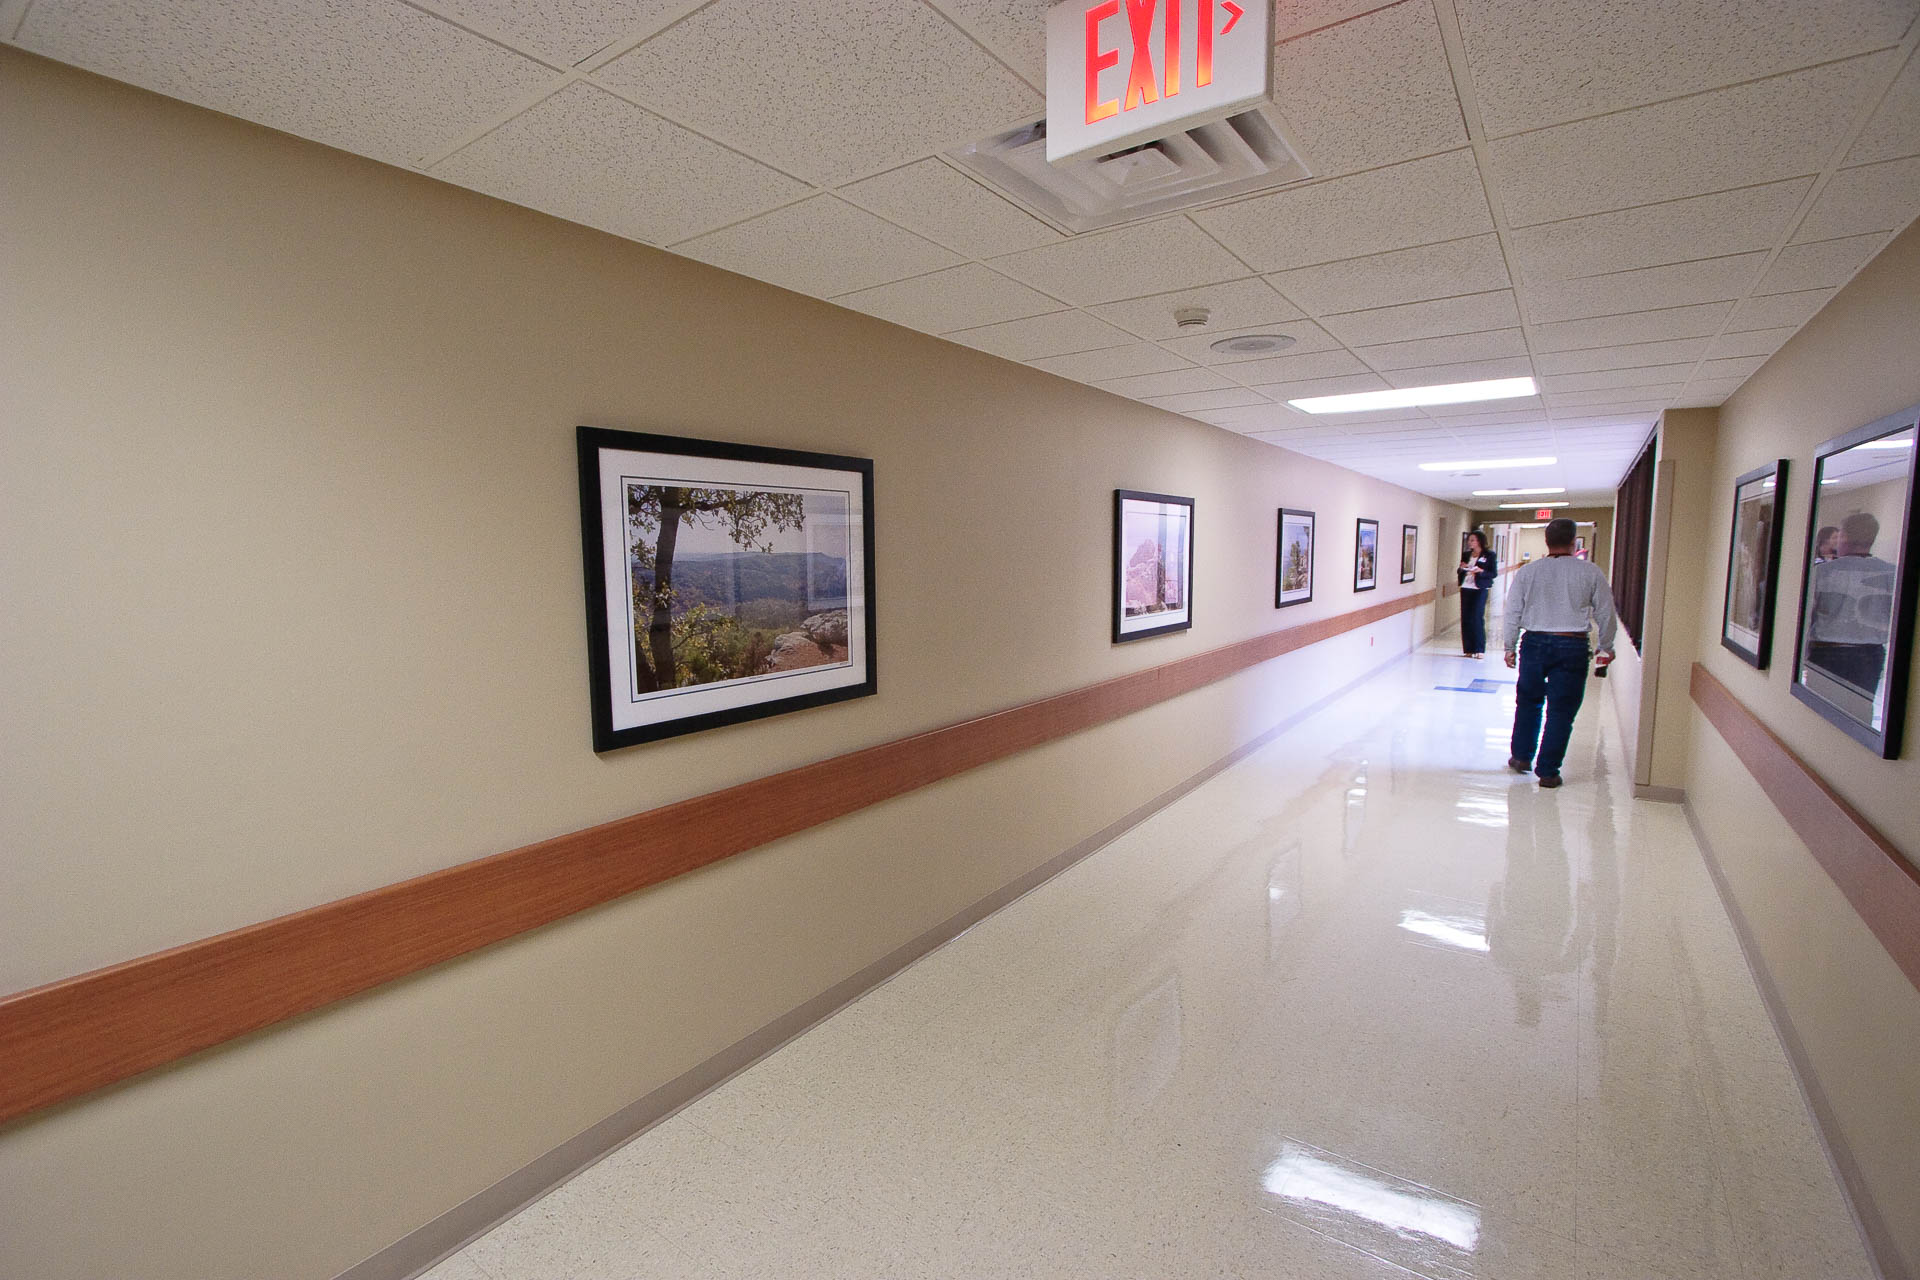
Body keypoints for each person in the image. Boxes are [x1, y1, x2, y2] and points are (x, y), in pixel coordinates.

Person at [1503, 518, 1618, 789]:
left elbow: (1512, 612)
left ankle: (1521, 757)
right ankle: (1548, 771)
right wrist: (1606, 647)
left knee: (1528, 701)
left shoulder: (1528, 573)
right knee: (1561, 710)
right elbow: (1605, 613)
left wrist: (1509, 647)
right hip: (1572, 645)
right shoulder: (1590, 572)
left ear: (1546, 541)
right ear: (1573, 541)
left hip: (1533, 644)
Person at [1805, 512, 1896, 699]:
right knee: (1860, 712)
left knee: (1820, 710)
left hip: (1828, 653)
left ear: (1845, 536)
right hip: (1871, 655)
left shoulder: (1823, 572)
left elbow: (1807, 615)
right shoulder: (1891, 573)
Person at [1457, 530, 1496, 658]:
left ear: (1479, 541)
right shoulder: (1466, 554)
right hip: (1466, 587)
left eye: (1472, 540)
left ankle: (1479, 649)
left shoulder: (1489, 555)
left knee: (1476, 618)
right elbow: (1460, 571)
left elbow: (1493, 573)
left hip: (1479, 589)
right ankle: (1468, 649)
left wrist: (1480, 571)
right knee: (1466, 618)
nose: (1470, 542)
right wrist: (1462, 568)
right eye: (1469, 540)